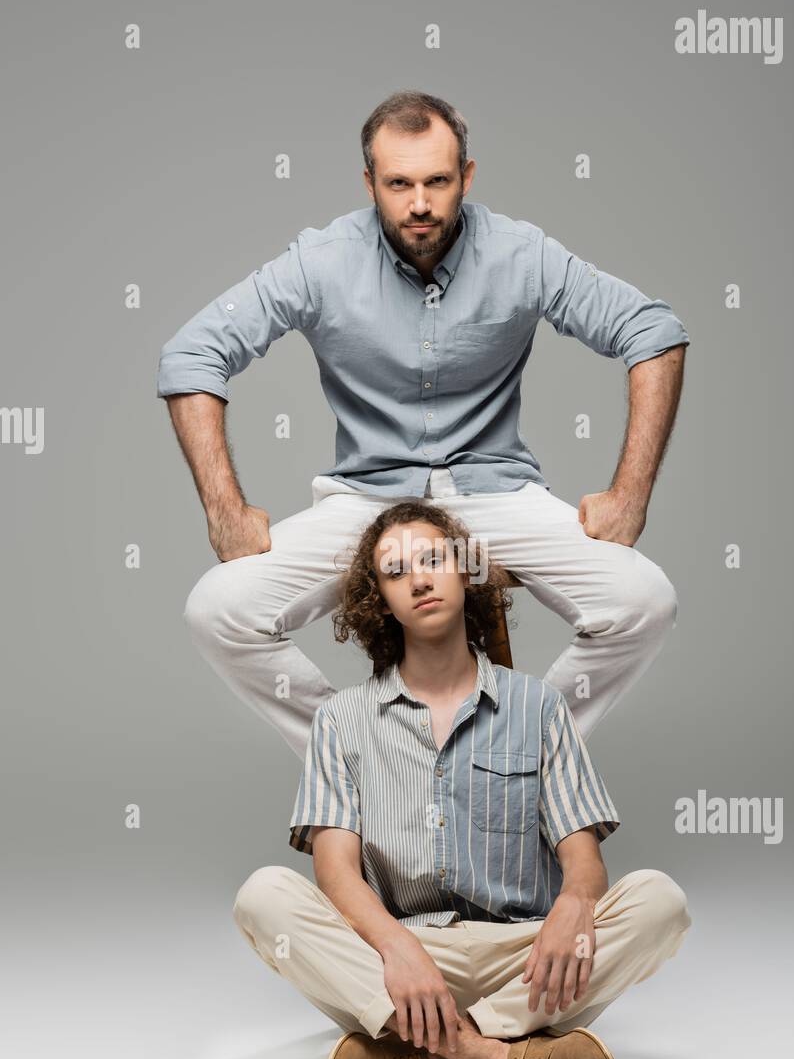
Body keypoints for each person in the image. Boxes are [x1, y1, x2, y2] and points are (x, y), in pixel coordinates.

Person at [157, 89, 690, 760]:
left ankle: (516, 757)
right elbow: (192, 354)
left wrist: (630, 494)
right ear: (369, 184)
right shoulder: (322, 261)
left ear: (465, 176)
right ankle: (366, 759)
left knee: (642, 600)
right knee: (219, 611)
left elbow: (652, 332)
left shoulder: (520, 254)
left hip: (493, 496)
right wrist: (223, 508)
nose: (418, 203)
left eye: (437, 181)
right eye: (398, 183)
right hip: (367, 500)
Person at [232, 503, 692, 1059]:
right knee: (264, 896)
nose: (419, 579)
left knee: (660, 901)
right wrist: (398, 950)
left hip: (528, 957)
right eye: (396, 572)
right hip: (402, 960)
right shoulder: (340, 721)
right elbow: (336, 875)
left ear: (465, 572)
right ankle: (499, 1057)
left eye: (432, 560)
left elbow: (584, 859)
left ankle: (408, 1052)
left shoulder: (540, 707)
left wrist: (576, 903)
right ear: (381, 601)